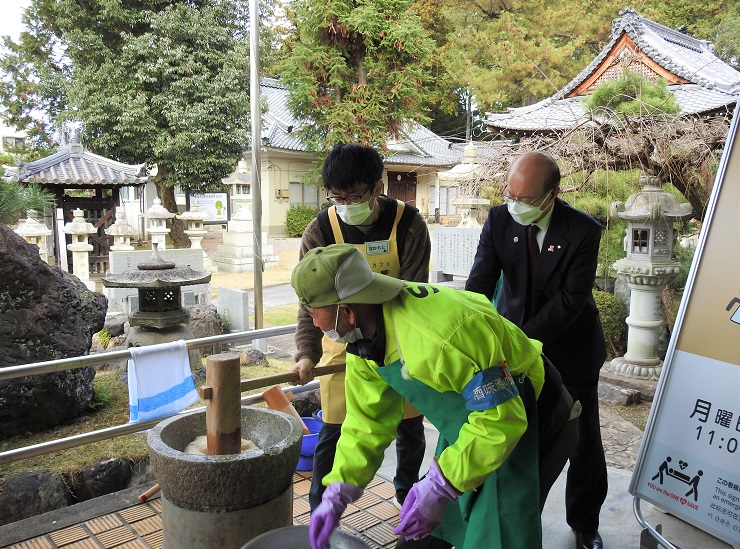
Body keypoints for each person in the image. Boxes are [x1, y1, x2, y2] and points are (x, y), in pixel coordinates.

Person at [465, 150, 608, 549]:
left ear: (552, 195)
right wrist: (469, 329)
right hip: (512, 346)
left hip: (570, 348)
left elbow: (570, 301)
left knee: (582, 439)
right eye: (510, 194)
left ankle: (585, 524)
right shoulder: (498, 219)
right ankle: (516, 521)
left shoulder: (582, 231)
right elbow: (480, 282)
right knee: (517, 436)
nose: (516, 205)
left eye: (526, 199)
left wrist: (521, 345)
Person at [289, 143, 430, 511]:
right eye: (336, 197)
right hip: (343, 347)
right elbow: (310, 300)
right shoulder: (321, 229)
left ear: (377, 186)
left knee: (409, 430)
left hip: (401, 346)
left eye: (353, 196)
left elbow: (415, 294)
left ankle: (407, 499)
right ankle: (321, 510)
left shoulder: (409, 225)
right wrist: (307, 353)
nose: (344, 204)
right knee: (334, 432)